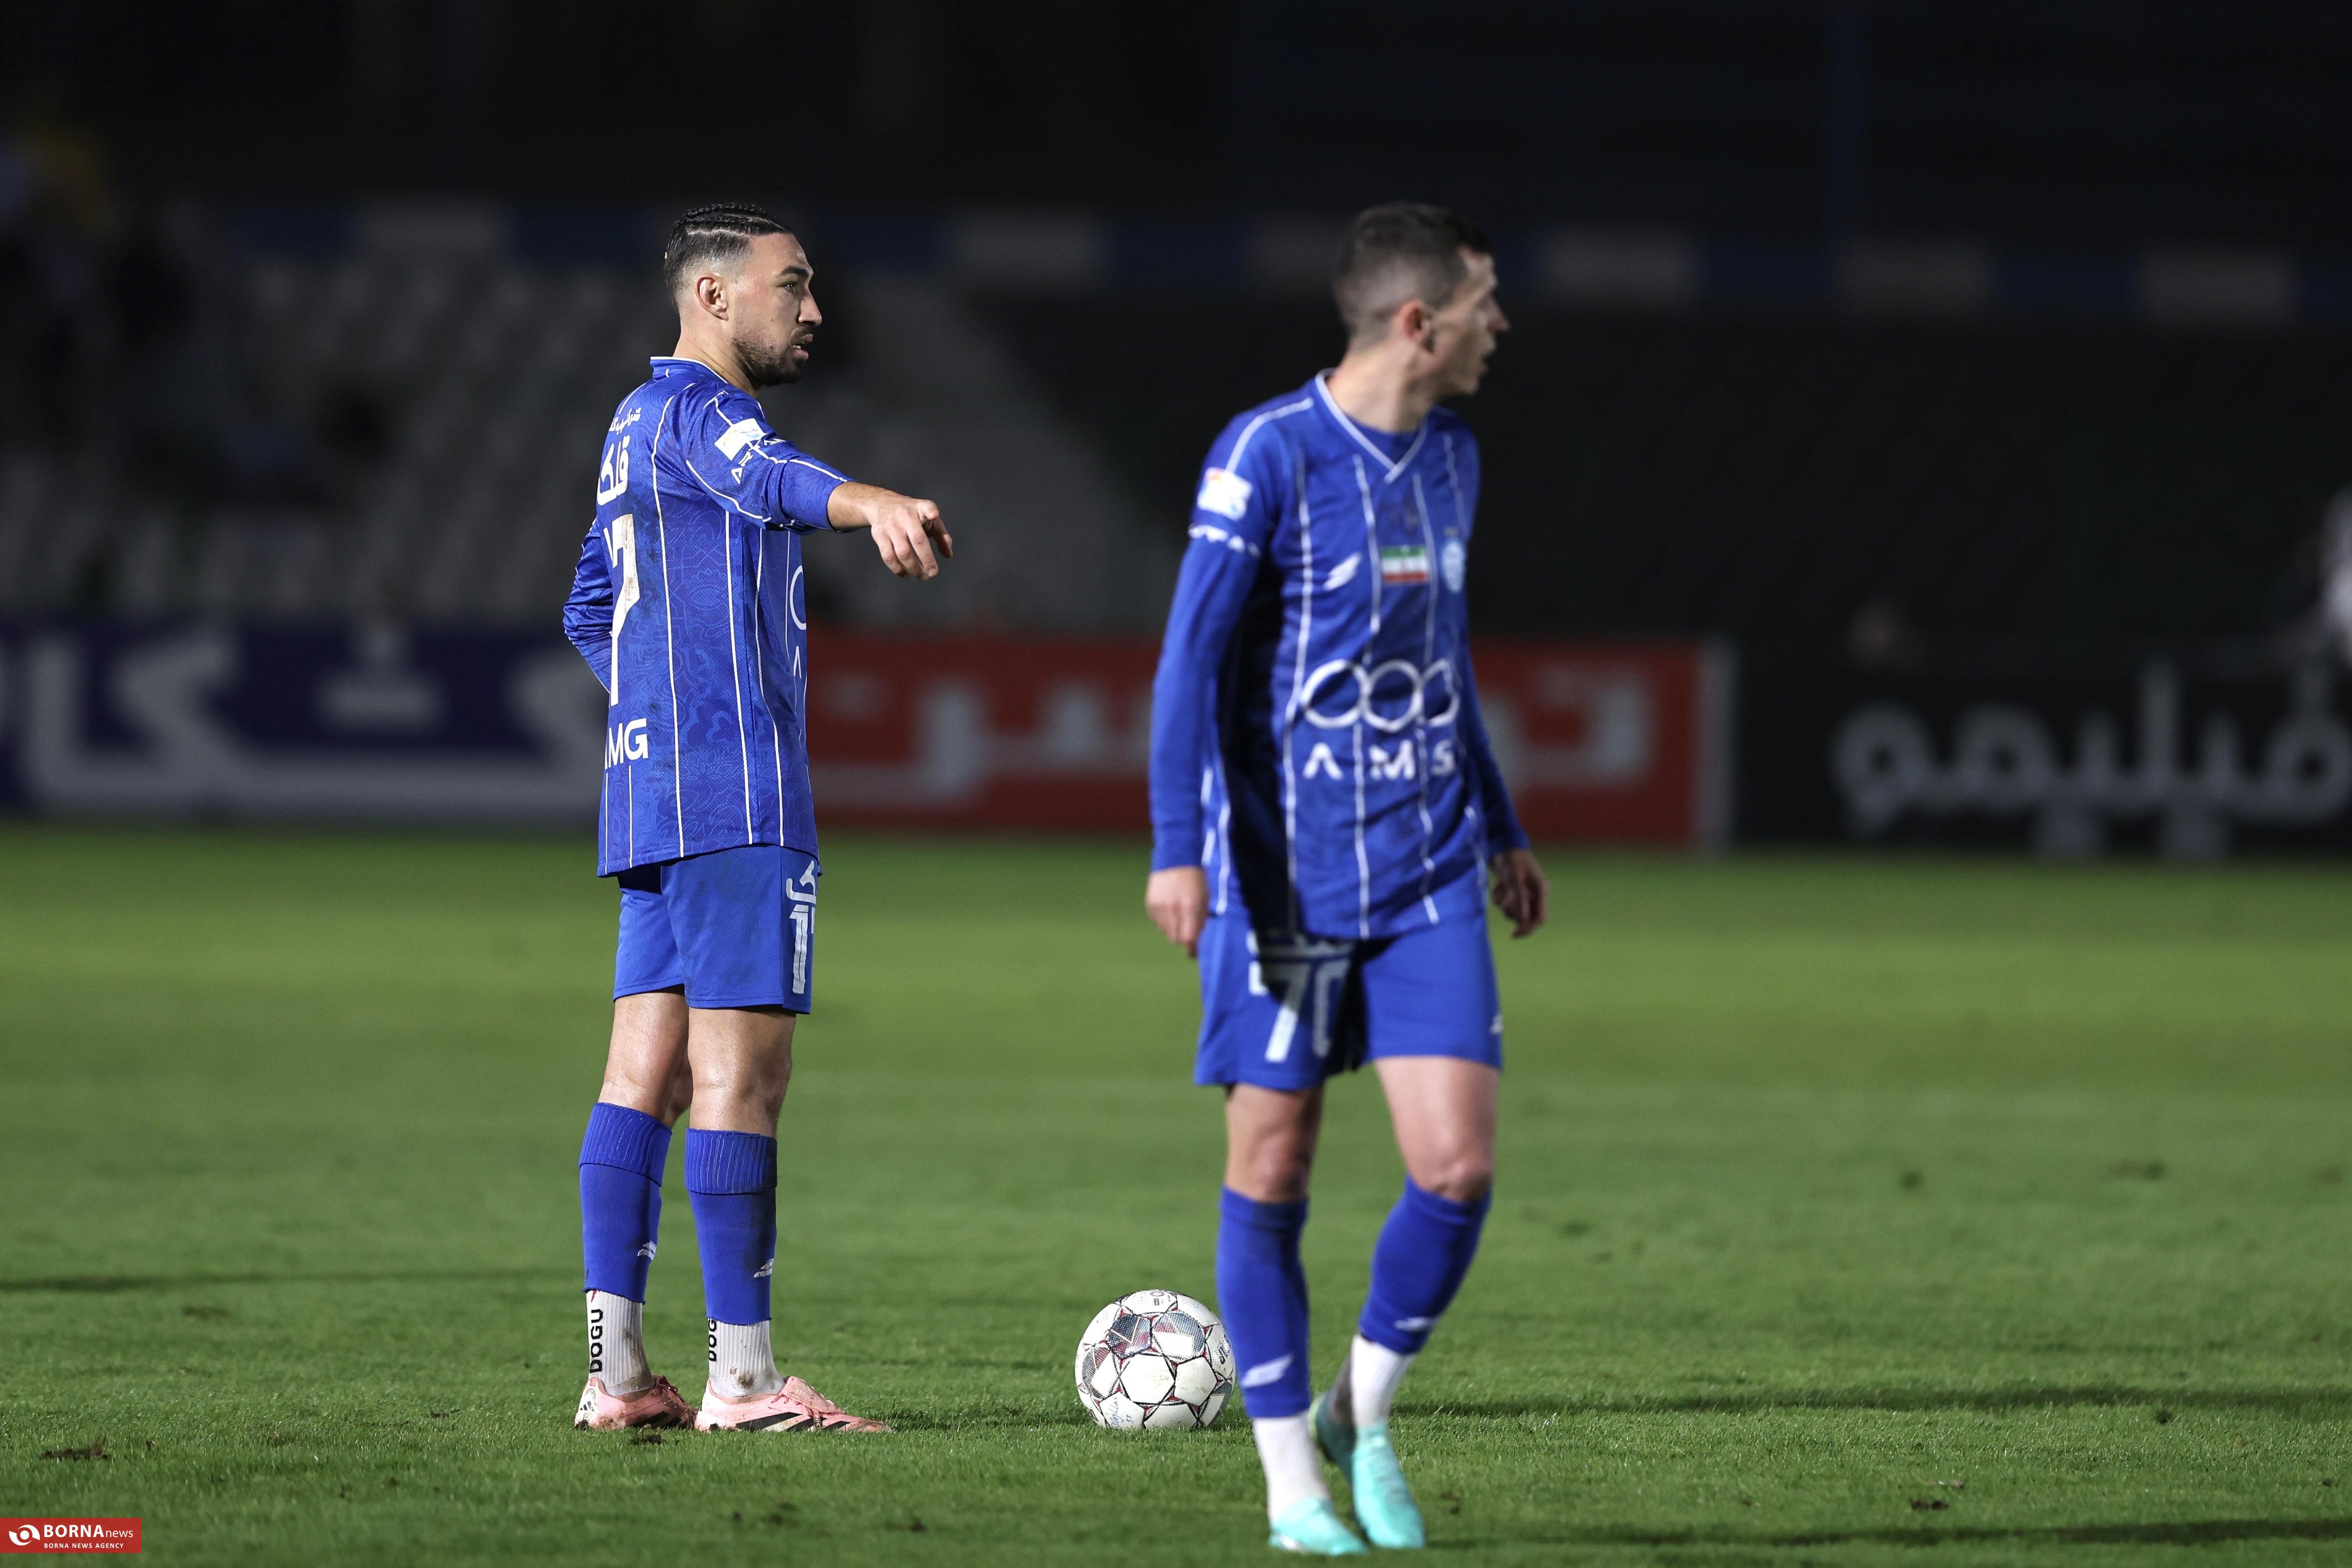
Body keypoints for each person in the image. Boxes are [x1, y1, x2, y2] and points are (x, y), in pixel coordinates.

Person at [1145, 203, 1547, 1555]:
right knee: (1275, 1163)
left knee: (1459, 1165)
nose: (1501, 324)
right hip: (1286, 877)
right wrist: (1178, 846)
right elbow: (1188, 663)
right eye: (1484, 301)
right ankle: (1291, 1487)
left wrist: (1501, 824)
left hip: (1427, 861)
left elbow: (1445, 659)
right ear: (1419, 322)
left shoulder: (1456, 459)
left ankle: (1356, 1410)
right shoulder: (1269, 453)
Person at [559, 203, 952, 1435]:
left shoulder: (633, 424)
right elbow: (772, 481)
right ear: (715, 296)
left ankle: (620, 1375)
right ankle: (743, 1382)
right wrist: (870, 501)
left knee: (645, 1073)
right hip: (734, 791)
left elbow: (589, 605)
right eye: (794, 284)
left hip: (653, 789)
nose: (815, 309)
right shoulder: (706, 415)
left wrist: (659, 711)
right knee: (746, 1076)